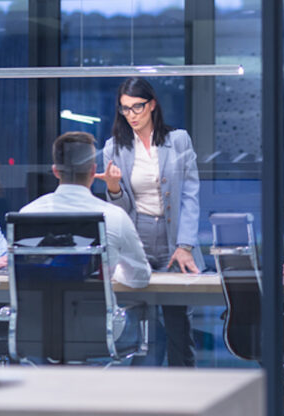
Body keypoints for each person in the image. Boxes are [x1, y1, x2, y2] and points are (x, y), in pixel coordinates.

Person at [95, 77, 201, 367]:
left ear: (152, 105)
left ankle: (187, 399)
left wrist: (185, 244)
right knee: (144, 328)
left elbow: (190, 196)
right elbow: (121, 209)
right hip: (137, 237)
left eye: (137, 107)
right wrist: (114, 189)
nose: (131, 115)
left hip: (173, 238)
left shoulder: (178, 140)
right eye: (125, 109)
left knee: (179, 324)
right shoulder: (113, 148)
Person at [19, 131, 151, 289]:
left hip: (35, 313)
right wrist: (111, 271)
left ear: (55, 171)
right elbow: (140, 278)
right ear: (93, 171)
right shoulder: (114, 216)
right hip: (96, 312)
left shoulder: (27, 215)